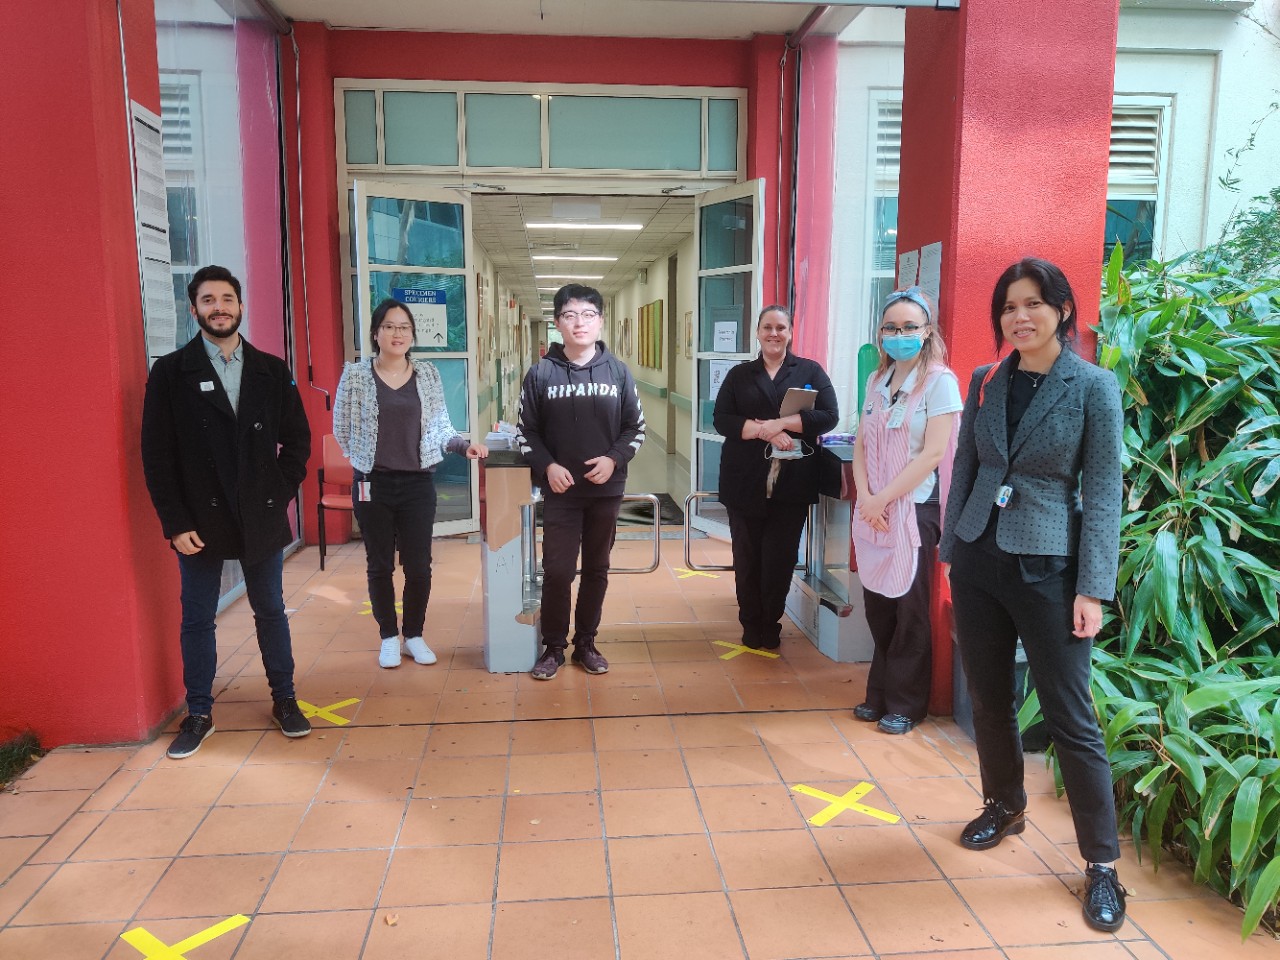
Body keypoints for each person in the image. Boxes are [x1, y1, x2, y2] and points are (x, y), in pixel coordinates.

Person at [939, 258, 1126, 932]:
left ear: (1063, 311)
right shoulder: (987, 380)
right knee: (989, 698)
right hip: (980, 559)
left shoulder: (1093, 387)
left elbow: (1104, 490)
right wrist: (951, 546)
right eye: (1009, 307)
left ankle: (1102, 866)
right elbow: (967, 463)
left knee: (1071, 718)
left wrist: (1094, 590)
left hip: (1051, 568)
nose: (1020, 317)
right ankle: (1004, 804)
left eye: (1033, 304)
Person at [141, 264, 312, 759]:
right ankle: (198, 712)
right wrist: (175, 522)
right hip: (198, 520)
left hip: (260, 512)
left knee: (271, 610)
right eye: (208, 300)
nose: (219, 308)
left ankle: (285, 699)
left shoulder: (270, 370)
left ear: (240, 306)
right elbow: (157, 455)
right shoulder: (171, 373)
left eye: (227, 299)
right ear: (193, 309)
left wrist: (277, 493)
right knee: (197, 618)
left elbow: (297, 441)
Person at [333, 298, 488, 669]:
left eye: (404, 327)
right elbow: (341, 427)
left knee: (419, 565)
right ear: (376, 333)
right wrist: (363, 461)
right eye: (389, 326)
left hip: (418, 484)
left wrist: (463, 446)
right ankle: (388, 636)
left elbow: (440, 427)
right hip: (373, 484)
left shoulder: (428, 375)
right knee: (379, 564)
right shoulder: (356, 376)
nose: (397, 333)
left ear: (412, 334)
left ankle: (414, 635)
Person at [517, 284, 645, 680]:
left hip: (606, 491)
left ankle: (585, 643)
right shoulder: (541, 373)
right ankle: (553, 646)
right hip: (561, 493)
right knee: (556, 571)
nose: (579, 322)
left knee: (597, 568)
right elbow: (526, 432)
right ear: (557, 323)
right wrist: (548, 466)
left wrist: (614, 458)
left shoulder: (618, 372)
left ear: (600, 321)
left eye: (588, 315)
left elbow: (635, 428)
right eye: (570, 315)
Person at [851, 288, 961, 735]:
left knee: (910, 606)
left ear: (927, 330)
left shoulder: (940, 382)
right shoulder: (877, 381)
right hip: (873, 508)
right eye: (891, 328)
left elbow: (932, 454)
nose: (899, 335)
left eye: (909, 327)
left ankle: (906, 703)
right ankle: (878, 694)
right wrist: (866, 498)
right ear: (880, 334)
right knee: (878, 603)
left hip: (915, 508)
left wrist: (882, 499)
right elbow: (860, 445)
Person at [713, 305, 839, 650]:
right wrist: (763, 431)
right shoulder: (740, 375)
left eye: (781, 327)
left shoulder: (810, 370)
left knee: (780, 559)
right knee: (748, 558)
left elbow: (829, 416)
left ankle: (771, 622)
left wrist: (783, 424)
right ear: (757, 332)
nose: (774, 334)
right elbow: (721, 419)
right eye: (767, 327)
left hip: (793, 482)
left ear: (790, 332)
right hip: (745, 480)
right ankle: (751, 624)